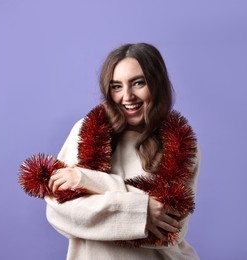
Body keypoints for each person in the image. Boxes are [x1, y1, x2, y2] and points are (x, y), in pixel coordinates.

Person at [45, 43, 200, 260]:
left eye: (138, 83)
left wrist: (86, 180)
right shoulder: (86, 131)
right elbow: (60, 212)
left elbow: (170, 229)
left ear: (157, 84)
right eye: (116, 86)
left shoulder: (178, 142)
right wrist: (142, 211)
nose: (127, 96)